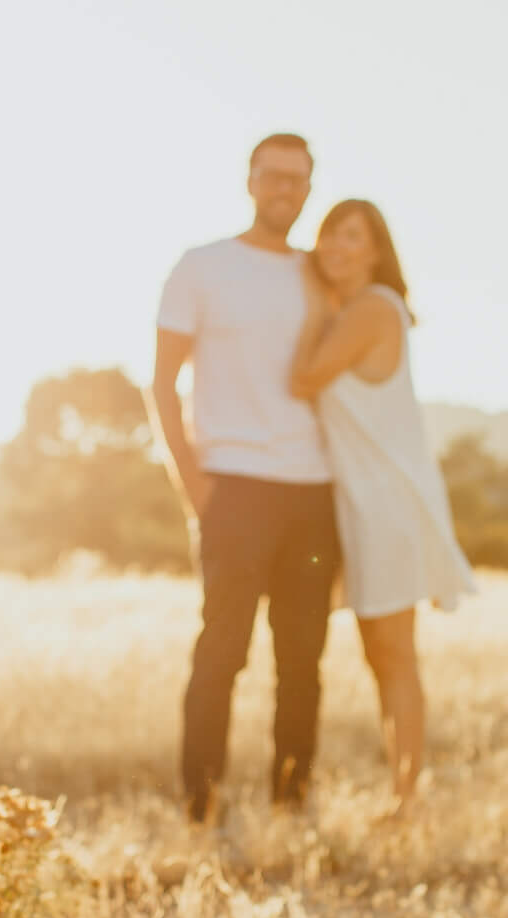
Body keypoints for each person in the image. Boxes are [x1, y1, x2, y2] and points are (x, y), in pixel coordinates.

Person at [147, 133, 341, 825]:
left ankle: (291, 803)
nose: (285, 189)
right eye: (274, 176)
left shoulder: (320, 275)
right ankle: (200, 805)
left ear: (309, 188)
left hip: (314, 491)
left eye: (299, 179)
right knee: (222, 652)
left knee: (302, 662)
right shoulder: (202, 267)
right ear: (251, 180)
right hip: (233, 485)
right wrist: (195, 489)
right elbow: (163, 385)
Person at [287, 199, 477, 814]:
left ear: (375, 252)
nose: (335, 246)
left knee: (394, 654)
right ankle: (405, 789)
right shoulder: (355, 310)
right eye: (327, 235)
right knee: (382, 654)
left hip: (386, 507)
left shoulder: (370, 309)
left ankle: (408, 797)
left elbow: (304, 377)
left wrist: (312, 297)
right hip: (362, 504)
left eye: (351, 236)